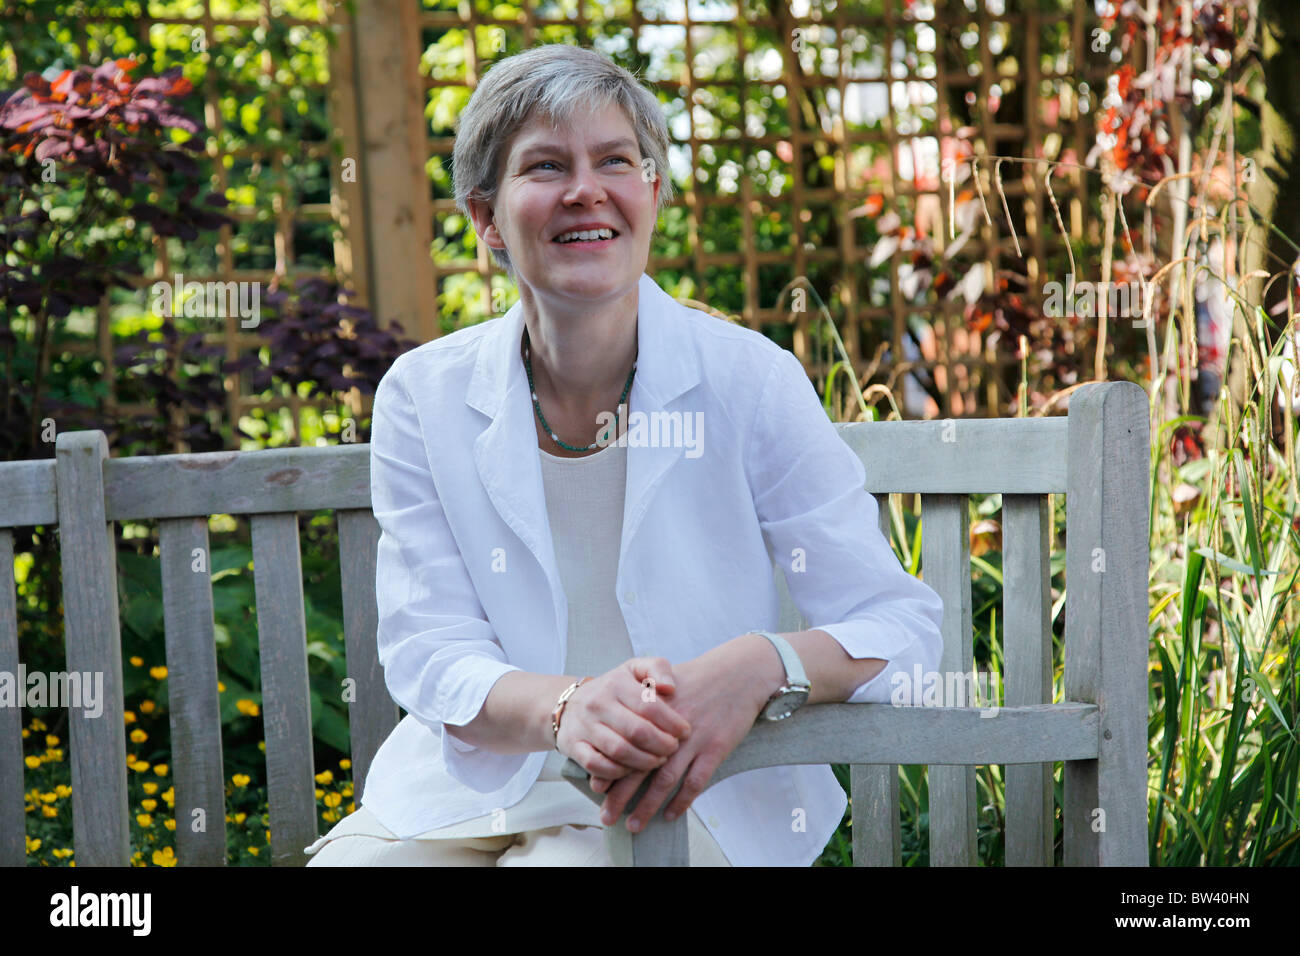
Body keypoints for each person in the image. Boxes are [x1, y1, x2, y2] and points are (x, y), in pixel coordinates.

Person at [305, 43, 944, 867]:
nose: (585, 189)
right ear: (486, 218)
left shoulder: (750, 381)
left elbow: (902, 628)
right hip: (463, 795)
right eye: (544, 165)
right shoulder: (422, 396)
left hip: (685, 795)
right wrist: (569, 706)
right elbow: (431, 653)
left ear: (651, 193)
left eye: (616, 160)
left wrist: (759, 666)